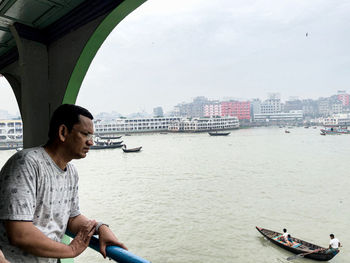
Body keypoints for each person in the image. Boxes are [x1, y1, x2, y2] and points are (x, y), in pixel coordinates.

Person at [0, 104, 127, 263]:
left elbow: (72, 217)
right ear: (63, 132)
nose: (91, 142)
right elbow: (20, 233)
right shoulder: (26, 164)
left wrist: (100, 228)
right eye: (86, 134)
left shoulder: (71, 172)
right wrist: (71, 249)